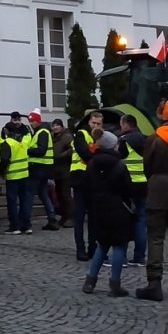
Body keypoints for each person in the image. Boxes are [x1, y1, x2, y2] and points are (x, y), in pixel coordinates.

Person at [136, 100, 168, 302]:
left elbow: (146, 167)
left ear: (160, 114)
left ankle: (154, 284)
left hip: (157, 191)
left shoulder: (154, 138)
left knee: (156, 239)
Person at [81, 131, 134, 297]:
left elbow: (86, 187)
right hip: (117, 208)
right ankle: (115, 284)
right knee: (119, 246)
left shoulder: (91, 164)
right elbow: (127, 189)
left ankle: (90, 281)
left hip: (98, 208)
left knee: (102, 245)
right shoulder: (119, 165)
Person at [71, 110, 101, 261]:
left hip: (92, 179)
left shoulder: (98, 137)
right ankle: (80, 248)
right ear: (89, 122)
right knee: (79, 217)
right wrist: (98, 157)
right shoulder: (81, 134)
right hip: (79, 178)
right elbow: (84, 153)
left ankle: (93, 247)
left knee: (93, 217)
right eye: (93, 123)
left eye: (98, 124)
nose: (95, 126)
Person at [118, 113, 148, 267]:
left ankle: (120, 257)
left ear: (126, 124)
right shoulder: (146, 139)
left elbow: (118, 161)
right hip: (144, 184)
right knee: (141, 220)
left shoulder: (124, 141)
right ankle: (139, 257)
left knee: (124, 220)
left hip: (128, 185)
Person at [23, 110, 58, 232]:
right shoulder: (42, 132)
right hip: (44, 168)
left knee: (29, 195)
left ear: (38, 121)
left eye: (32, 121)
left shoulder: (42, 133)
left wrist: (27, 150)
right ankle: (52, 219)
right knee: (43, 194)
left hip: (38, 168)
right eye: (30, 121)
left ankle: (26, 223)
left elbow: (41, 151)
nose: (31, 123)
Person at [2, 123, 31, 234]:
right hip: (24, 175)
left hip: (12, 176)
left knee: (12, 202)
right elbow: (28, 135)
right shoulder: (24, 142)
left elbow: (4, 160)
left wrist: (1, 172)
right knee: (25, 201)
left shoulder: (8, 143)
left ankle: (15, 226)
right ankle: (26, 225)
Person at [51, 119, 74, 227]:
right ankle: (64, 216)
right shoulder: (52, 137)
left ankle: (71, 217)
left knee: (66, 194)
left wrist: (60, 156)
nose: (55, 127)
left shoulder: (67, 137)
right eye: (54, 125)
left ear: (61, 126)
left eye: (57, 125)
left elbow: (71, 151)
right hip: (56, 170)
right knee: (59, 194)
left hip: (65, 169)